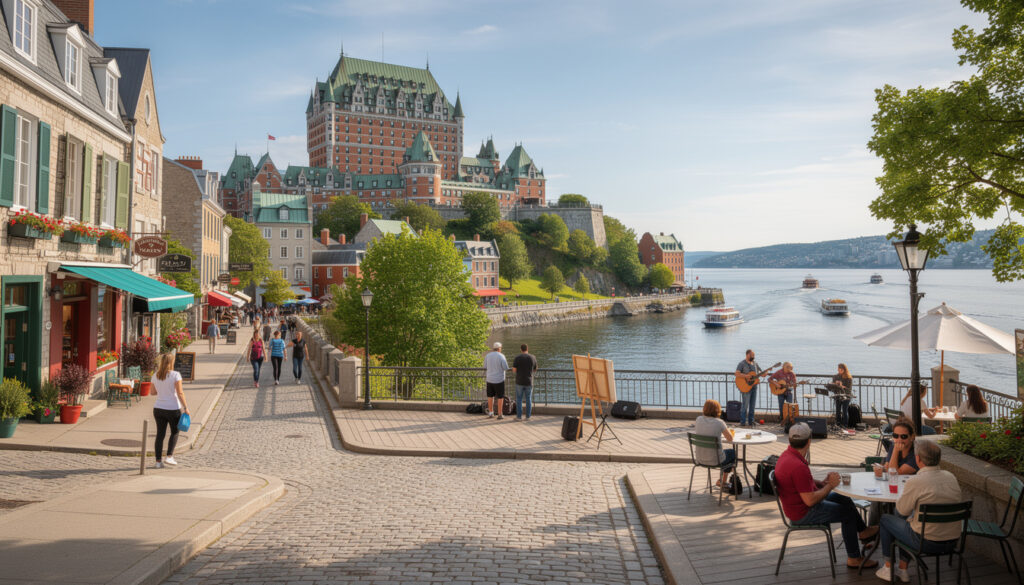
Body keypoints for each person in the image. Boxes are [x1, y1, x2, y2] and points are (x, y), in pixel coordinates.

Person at [774, 422, 879, 569]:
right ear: (809, 441)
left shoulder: (787, 456)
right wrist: (830, 486)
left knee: (843, 498)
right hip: (802, 512)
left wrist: (822, 483)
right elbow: (810, 501)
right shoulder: (797, 466)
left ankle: (863, 531)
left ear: (791, 440)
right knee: (847, 514)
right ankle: (854, 558)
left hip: (796, 505)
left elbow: (803, 483)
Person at [875, 439, 962, 583]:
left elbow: (901, 511)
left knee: (886, 519)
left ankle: (888, 567)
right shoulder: (951, 477)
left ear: (918, 459)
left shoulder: (916, 481)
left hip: (925, 542)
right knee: (909, 520)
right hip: (953, 541)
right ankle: (902, 569)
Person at [151, 353, 190, 469]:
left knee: (160, 434)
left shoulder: (156, 375)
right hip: (173, 409)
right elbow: (180, 393)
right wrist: (186, 407)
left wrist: (163, 390)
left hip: (158, 408)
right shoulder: (175, 375)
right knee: (175, 432)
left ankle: (158, 461)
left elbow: (152, 392)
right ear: (171, 362)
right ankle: (169, 456)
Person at [694, 400, 736, 486]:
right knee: (732, 453)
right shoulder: (719, 422)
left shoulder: (698, 419)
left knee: (727, 457)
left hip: (699, 458)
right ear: (718, 410)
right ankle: (723, 481)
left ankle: (726, 474)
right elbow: (730, 439)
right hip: (716, 460)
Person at [511, 343, 538, 421]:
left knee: (519, 399)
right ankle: (528, 417)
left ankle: (519, 417)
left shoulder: (517, 358)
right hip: (529, 381)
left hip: (519, 381)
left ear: (521, 349)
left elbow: (514, 370)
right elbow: (535, 368)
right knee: (528, 399)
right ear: (527, 349)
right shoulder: (533, 357)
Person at [734, 349, 761, 427]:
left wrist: (764, 373)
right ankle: (742, 422)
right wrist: (746, 376)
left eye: (754, 355)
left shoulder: (755, 363)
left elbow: (759, 373)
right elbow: (737, 374)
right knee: (745, 405)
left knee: (752, 405)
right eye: (752, 355)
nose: (753, 357)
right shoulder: (742, 364)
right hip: (745, 387)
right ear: (747, 355)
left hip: (754, 387)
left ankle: (751, 421)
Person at [484, 342, 509, 419]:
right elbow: (505, 367)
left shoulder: (487, 356)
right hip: (499, 380)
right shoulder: (501, 356)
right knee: (500, 397)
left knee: (490, 396)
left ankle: (491, 413)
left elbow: (485, 366)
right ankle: (500, 414)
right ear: (499, 349)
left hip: (489, 379)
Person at [832, 363, 853, 427]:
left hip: (846, 396)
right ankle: (838, 424)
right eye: (838, 369)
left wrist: (842, 386)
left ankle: (845, 425)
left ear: (844, 370)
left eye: (840, 370)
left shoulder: (848, 378)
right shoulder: (836, 376)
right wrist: (834, 385)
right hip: (838, 395)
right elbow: (833, 387)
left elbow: (849, 389)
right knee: (838, 411)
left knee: (844, 411)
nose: (839, 371)